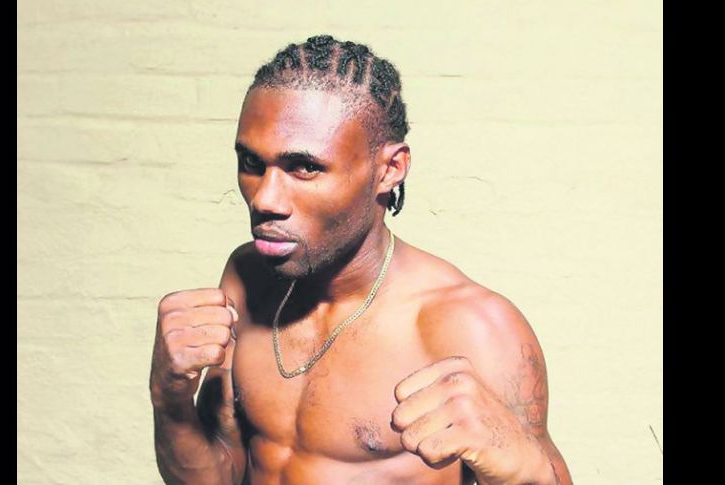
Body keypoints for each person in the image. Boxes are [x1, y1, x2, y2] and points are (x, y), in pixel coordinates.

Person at [149, 34, 572, 485]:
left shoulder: (473, 325)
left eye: (304, 167)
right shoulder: (247, 278)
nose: (265, 199)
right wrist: (168, 398)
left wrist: (527, 472)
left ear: (389, 170)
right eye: (252, 163)